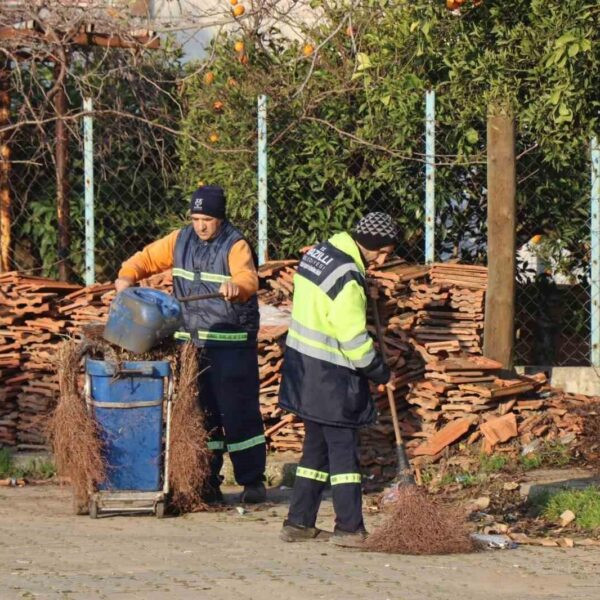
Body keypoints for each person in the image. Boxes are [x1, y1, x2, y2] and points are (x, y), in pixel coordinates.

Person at [114, 185, 266, 504]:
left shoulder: (235, 244)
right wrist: (126, 276)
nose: (200, 225)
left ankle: (252, 482)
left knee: (239, 415)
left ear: (220, 219)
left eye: (207, 219)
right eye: (196, 218)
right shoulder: (179, 239)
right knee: (201, 415)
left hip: (231, 346)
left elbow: (250, 280)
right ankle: (206, 481)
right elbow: (144, 259)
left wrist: (235, 286)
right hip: (192, 345)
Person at [278, 212, 398, 548]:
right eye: (383, 252)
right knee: (344, 454)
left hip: (303, 369)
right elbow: (354, 340)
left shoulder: (321, 254)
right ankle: (349, 528)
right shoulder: (348, 277)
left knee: (315, 450)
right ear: (369, 245)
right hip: (332, 376)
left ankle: (299, 523)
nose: (384, 259)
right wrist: (379, 371)